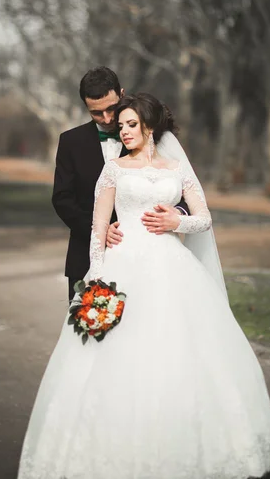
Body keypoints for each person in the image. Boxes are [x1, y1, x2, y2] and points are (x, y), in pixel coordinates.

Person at [18, 93, 270, 479]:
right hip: (123, 270)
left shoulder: (177, 170)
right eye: (122, 127)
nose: (125, 131)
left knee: (183, 352)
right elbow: (98, 229)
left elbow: (203, 218)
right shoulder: (113, 170)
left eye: (131, 125)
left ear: (150, 127)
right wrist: (98, 279)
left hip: (173, 270)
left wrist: (176, 221)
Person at [52, 66, 188, 302]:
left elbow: (181, 189)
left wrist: (176, 215)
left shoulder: (152, 136)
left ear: (122, 94)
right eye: (96, 113)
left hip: (150, 259)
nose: (106, 119)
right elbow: (62, 199)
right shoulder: (70, 142)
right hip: (85, 255)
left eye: (111, 109)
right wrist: (99, 231)